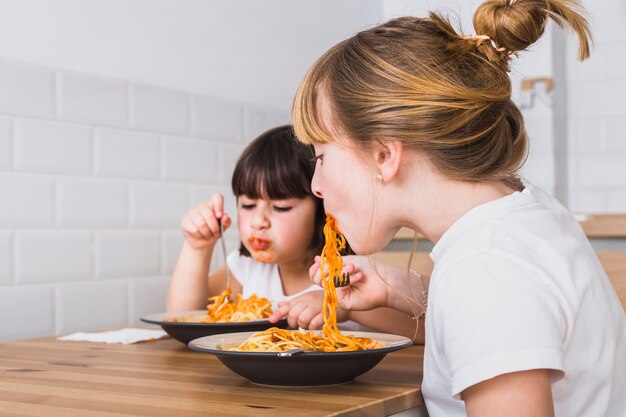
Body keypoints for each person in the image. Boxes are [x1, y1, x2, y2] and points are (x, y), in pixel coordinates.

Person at [289, 0, 626, 416]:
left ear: (383, 155)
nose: (316, 186)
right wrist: (397, 289)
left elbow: (490, 300)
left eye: (321, 157)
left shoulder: (484, 270)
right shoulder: (522, 215)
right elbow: (511, 320)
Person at [166, 125, 419, 340]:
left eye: (281, 207)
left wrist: (345, 307)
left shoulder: (348, 272)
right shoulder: (247, 270)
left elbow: (421, 330)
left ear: (323, 209)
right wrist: (197, 248)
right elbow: (182, 318)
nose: (259, 222)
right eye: (248, 205)